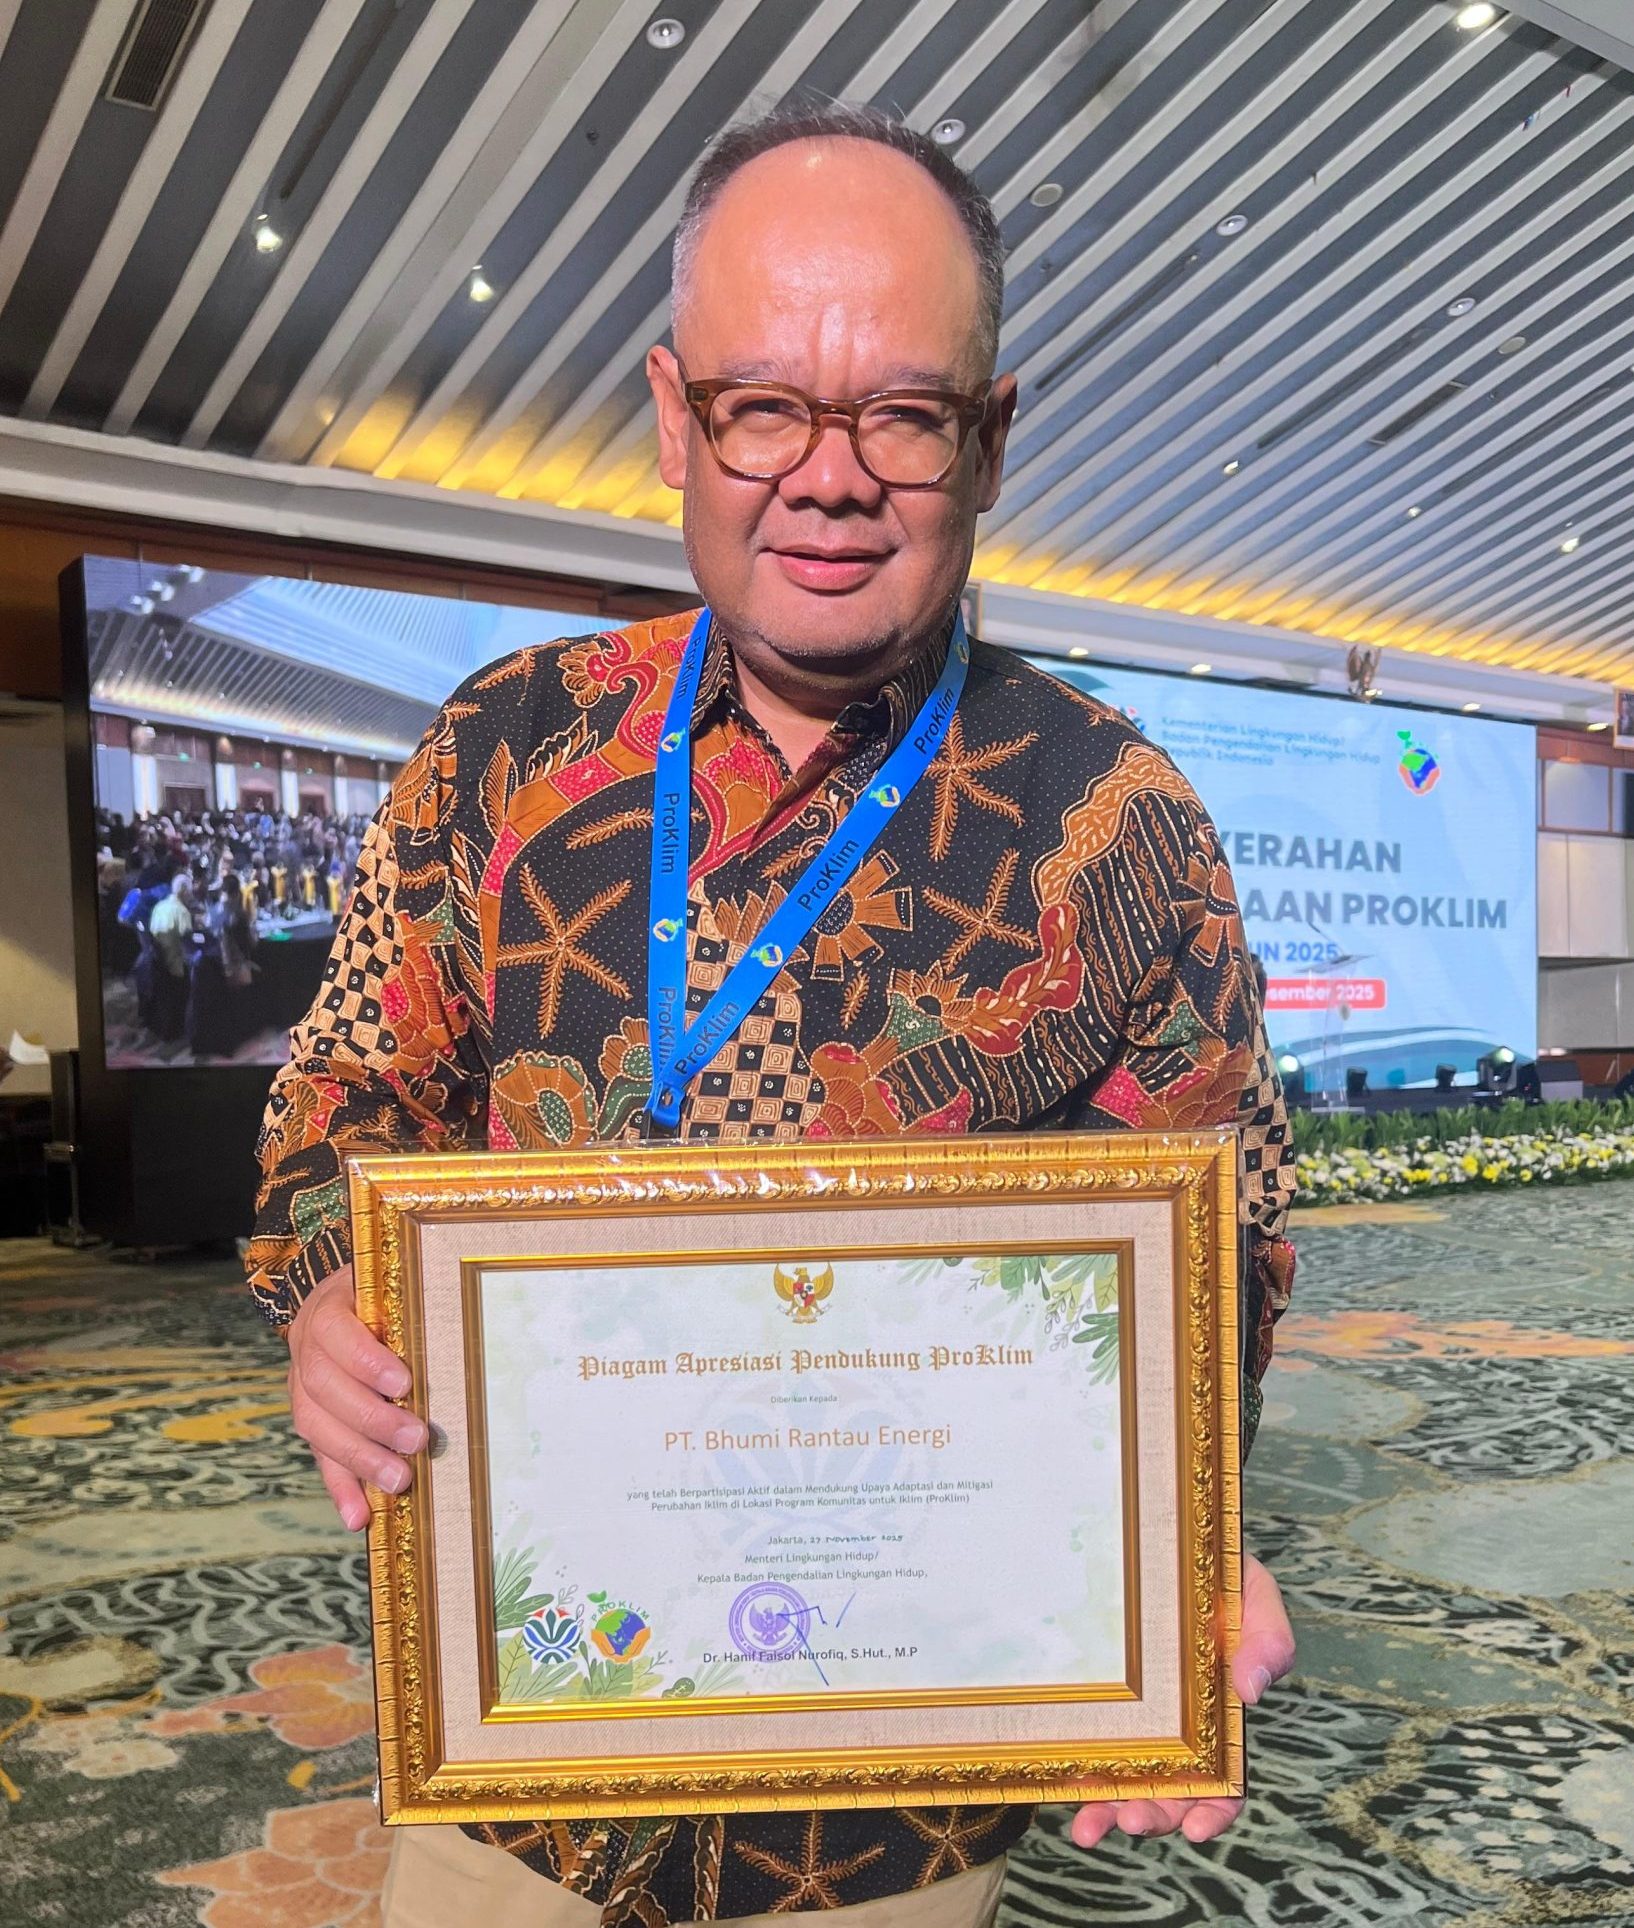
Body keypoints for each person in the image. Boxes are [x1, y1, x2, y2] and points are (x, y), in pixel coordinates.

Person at [249, 103, 1297, 1928]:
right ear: (674, 418)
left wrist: (1177, 1550)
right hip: (523, 1739)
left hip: (886, 1804)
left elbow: (1221, 1253)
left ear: (988, 438)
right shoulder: (503, 751)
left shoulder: (1116, 821)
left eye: (900, 413)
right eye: (762, 406)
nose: (828, 478)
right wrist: (333, 1291)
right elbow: (344, 1095)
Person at [147, 871, 196, 1041]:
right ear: (183, 891)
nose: (191, 895)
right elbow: (189, 944)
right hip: (176, 966)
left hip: (157, 963)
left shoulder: (159, 906)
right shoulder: (181, 911)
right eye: (189, 891)